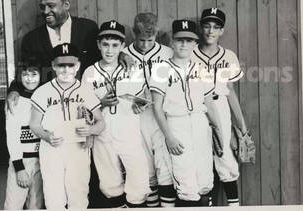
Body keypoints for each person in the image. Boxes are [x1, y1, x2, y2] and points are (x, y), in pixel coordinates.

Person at [6, 0, 133, 114]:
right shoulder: (32, 39)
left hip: (85, 107)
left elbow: (103, 52)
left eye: (51, 6)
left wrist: (122, 55)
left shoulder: (88, 29)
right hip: (51, 109)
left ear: (66, 4)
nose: (45, 11)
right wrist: (14, 91)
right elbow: (25, 71)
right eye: (42, 7)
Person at [150, 19, 222, 207]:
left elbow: (209, 104)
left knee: (205, 180)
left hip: (199, 123)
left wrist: (219, 131)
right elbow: (157, 107)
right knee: (186, 182)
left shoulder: (201, 69)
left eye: (189, 40)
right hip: (176, 124)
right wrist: (169, 137)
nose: (184, 44)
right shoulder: (161, 69)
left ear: (195, 43)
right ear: (172, 42)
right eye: (180, 40)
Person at [82, 20, 151, 208]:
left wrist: (141, 106)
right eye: (105, 44)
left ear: (122, 46)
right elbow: (83, 109)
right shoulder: (89, 73)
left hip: (128, 130)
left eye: (115, 45)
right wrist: (100, 103)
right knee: (109, 183)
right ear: (98, 45)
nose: (109, 50)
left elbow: (142, 96)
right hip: (103, 135)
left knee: (138, 180)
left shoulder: (132, 67)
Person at [29, 43, 105, 210]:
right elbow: (34, 124)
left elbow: (101, 123)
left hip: (77, 148)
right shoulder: (42, 91)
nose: (65, 69)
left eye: (70, 65)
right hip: (52, 148)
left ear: (77, 66)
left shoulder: (85, 91)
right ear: (53, 66)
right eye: (61, 65)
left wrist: (90, 131)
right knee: (53, 197)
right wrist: (47, 136)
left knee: (78, 195)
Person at [192, 8, 249, 206]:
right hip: (197, 110)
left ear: (222, 31)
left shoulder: (229, 56)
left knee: (226, 160)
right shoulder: (189, 53)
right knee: (201, 161)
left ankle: (234, 206)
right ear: (201, 28)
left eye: (216, 27)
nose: (210, 31)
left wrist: (242, 125)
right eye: (207, 26)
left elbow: (230, 91)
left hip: (220, 107)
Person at [122, 13, 175, 207]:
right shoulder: (125, 53)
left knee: (165, 169)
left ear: (157, 34)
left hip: (161, 116)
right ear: (134, 35)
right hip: (136, 117)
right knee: (146, 169)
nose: (145, 45)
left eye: (150, 40)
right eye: (141, 40)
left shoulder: (167, 53)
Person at [3, 62, 43, 210]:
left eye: (34, 74)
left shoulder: (45, 98)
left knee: (35, 204)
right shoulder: (15, 101)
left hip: (42, 160)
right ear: (19, 76)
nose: (30, 79)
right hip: (21, 161)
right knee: (13, 205)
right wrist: (19, 168)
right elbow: (12, 137)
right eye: (25, 74)